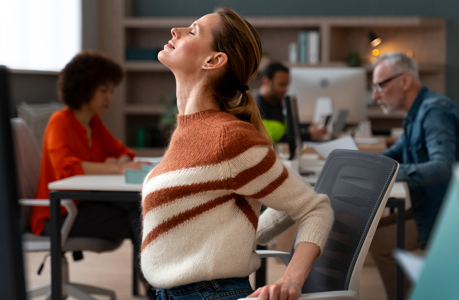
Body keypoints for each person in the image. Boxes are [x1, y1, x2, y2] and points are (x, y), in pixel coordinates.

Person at [139, 7, 334, 300]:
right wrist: (236, 240)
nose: (175, 31)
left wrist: (291, 279)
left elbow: (314, 208)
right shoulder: (188, 131)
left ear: (214, 60)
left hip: (207, 294)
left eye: (192, 31)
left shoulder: (228, 138)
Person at [28, 51, 154, 295]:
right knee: (139, 214)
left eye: (111, 91)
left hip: (82, 206)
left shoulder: (93, 123)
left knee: (139, 210)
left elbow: (124, 153)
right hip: (57, 215)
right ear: (85, 89)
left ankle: (151, 284)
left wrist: (116, 162)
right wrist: (115, 167)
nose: (110, 97)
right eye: (104, 90)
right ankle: (151, 285)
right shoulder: (60, 122)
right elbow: (67, 168)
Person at [369, 51, 459, 299]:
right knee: (377, 235)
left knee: (381, 240)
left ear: (404, 81)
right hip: (433, 209)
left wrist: (390, 174)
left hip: (449, 218)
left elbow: (442, 167)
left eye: (380, 85)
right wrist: (358, 166)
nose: (375, 95)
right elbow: (395, 153)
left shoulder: (435, 112)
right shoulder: (416, 114)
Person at [254, 62, 328, 144]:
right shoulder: (256, 106)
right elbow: (270, 137)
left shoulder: (276, 101)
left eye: (287, 85)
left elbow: (286, 132)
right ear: (266, 81)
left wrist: (308, 131)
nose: (286, 89)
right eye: (282, 85)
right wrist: (309, 135)